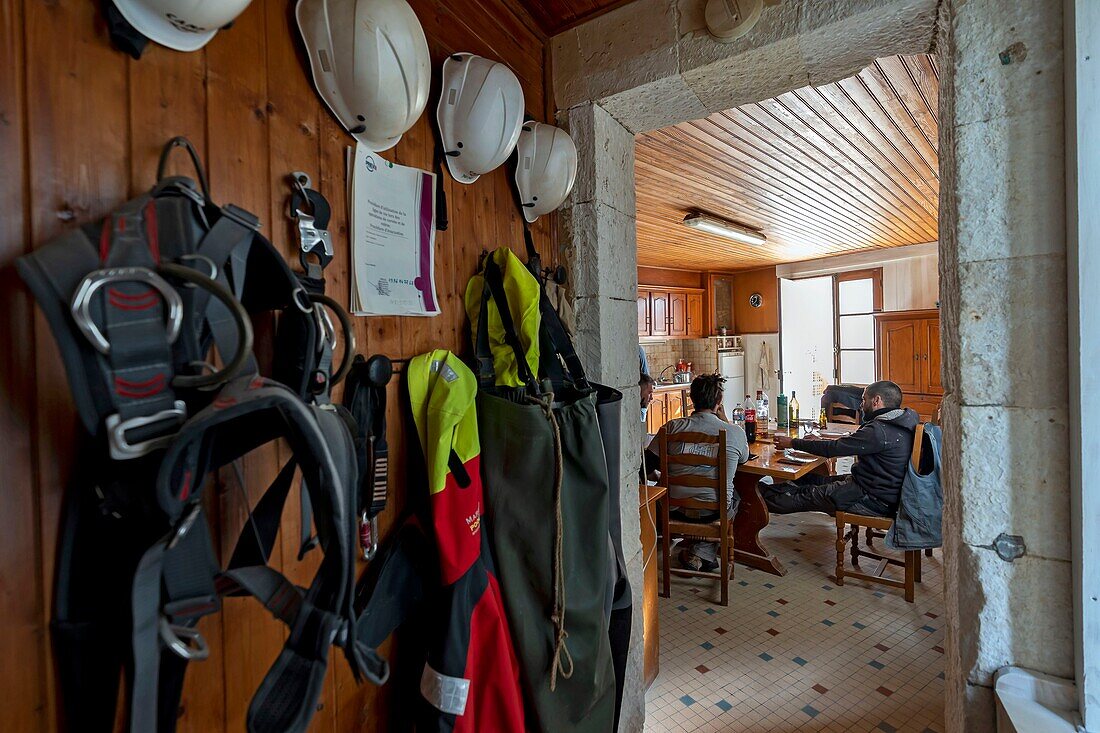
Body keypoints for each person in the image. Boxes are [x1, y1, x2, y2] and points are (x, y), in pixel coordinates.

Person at [763, 380, 918, 517]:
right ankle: (757, 491)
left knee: (803, 495)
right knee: (810, 479)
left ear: (876, 400)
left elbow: (833, 449)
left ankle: (752, 499)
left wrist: (792, 443)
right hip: (882, 490)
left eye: (864, 400)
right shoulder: (901, 420)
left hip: (872, 499)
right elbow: (854, 443)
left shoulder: (879, 430)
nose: (861, 405)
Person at [646, 374, 749, 572]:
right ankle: (703, 551)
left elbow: (646, 464)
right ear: (719, 402)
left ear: (692, 399)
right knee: (736, 495)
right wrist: (726, 420)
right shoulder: (734, 432)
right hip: (713, 512)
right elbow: (744, 459)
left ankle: (699, 550)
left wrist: (662, 476)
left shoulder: (671, 427)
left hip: (674, 508)